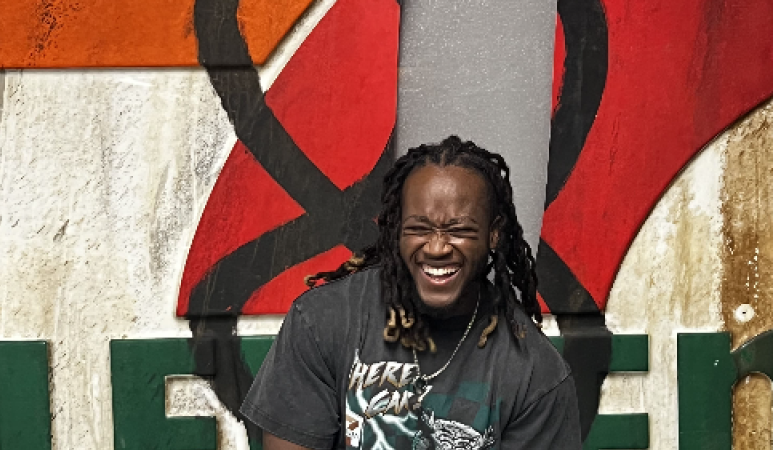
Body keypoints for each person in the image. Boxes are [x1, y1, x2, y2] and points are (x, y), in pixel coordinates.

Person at [240, 136, 581, 450]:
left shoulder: (536, 374)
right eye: (419, 228)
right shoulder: (323, 322)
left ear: (493, 236)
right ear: (397, 230)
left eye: (459, 230)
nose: (436, 247)